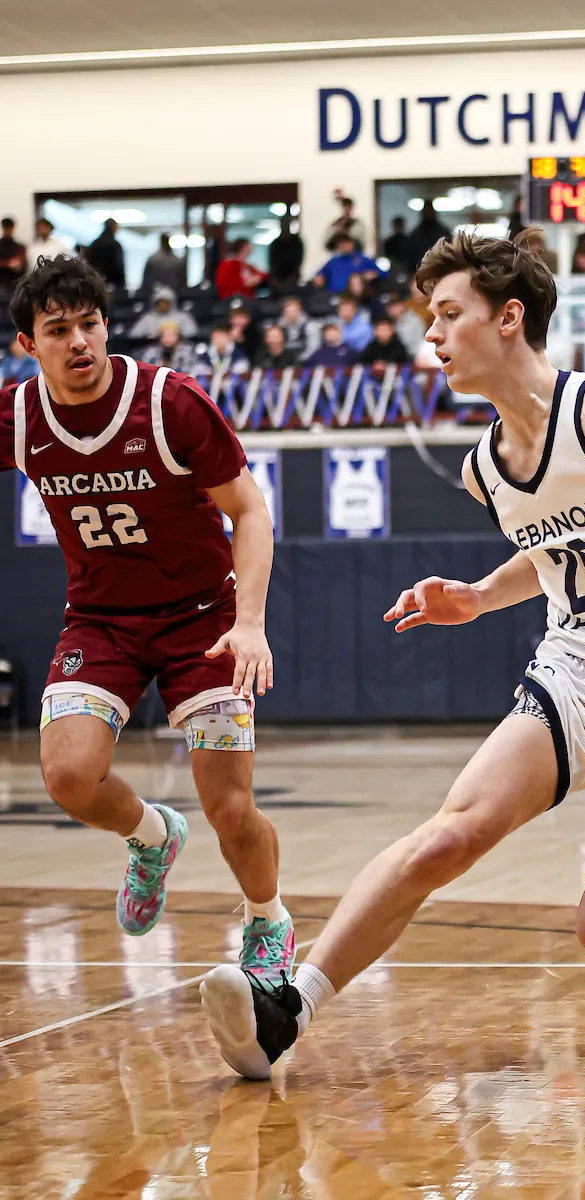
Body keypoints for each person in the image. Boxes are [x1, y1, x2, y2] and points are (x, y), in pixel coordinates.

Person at [200, 229, 585, 1080]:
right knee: (447, 838)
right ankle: (288, 1007)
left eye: (447, 313)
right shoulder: (487, 466)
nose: (430, 333)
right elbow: (556, 549)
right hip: (575, 670)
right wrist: (476, 595)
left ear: (509, 318)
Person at [0, 255, 295, 994]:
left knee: (231, 808)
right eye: (58, 329)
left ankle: (269, 921)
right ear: (28, 346)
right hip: (100, 621)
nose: (79, 342)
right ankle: (151, 836)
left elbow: (250, 511)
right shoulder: (21, 414)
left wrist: (251, 622)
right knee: (68, 775)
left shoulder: (169, 401)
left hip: (205, 621)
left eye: (90, 324)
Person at [313, 236, 382, 295]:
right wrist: (319, 278)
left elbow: (381, 273)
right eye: (341, 243)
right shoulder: (334, 261)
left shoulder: (362, 259)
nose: (343, 245)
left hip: (354, 296)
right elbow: (319, 275)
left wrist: (371, 275)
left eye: (346, 242)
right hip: (333, 295)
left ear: (352, 243)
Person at [129, 286, 198, 340]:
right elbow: (133, 335)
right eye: (159, 303)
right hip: (153, 349)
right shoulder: (148, 318)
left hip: (179, 348)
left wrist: (178, 335)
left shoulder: (183, 317)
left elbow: (193, 333)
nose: (162, 306)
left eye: (165, 303)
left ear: (172, 303)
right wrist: (149, 335)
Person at [406, 201, 452, 271]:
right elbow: (410, 257)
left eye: (429, 211)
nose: (428, 213)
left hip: (440, 270)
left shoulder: (443, 233)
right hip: (419, 270)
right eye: (426, 211)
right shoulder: (415, 235)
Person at [84, 219, 126, 290]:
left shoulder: (95, 244)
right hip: (112, 285)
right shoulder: (115, 245)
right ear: (114, 228)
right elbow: (118, 266)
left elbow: (88, 263)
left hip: (95, 284)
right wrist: (122, 285)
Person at [277, 296, 320, 361]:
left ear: (300, 311)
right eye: (288, 312)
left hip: (305, 360)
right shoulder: (279, 327)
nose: (291, 315)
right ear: (284, 313)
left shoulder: (309, 326)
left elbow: (314, 348)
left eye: (294, 311)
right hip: (284, 360)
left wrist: (299, 359)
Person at [268, 217, 304, 291]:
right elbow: (272, 262)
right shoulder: (276, 244)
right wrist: (275, 278)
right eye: (283, 224)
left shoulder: (296, 242)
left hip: (292, 280)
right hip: (278, 281)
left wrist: (293, 276)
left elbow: (298, 260)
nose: (284, 226)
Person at [0, 217, 27, 291]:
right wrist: (8, 263)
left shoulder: (20, 247)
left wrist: (18, 264)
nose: (8, 230)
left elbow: (23, 264)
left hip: (15, 284)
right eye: (6, 227)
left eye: (9, 227)